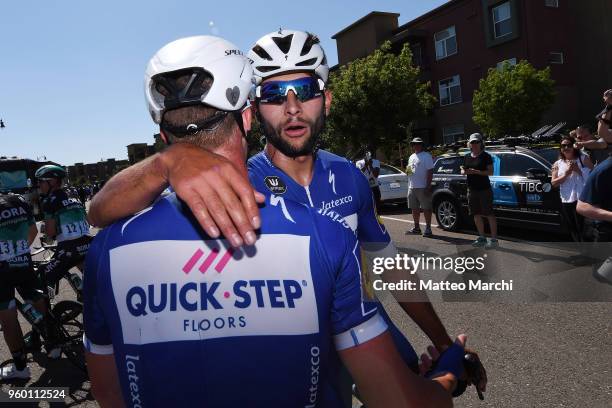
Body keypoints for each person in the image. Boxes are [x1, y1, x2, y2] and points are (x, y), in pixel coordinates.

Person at [88, 30, 487, 400]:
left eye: (305, 90)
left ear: (326, 99)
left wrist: (444, 342)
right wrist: (169, 162)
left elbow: (389, 268)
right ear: (254, 111)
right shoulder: (225, 178)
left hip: (360, 329)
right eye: (276, 94)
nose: (292, 108)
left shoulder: (348, 176)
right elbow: (101, 211)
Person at [0, 192, 45, 379]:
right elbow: (33, 230)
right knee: (37, 298)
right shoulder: (16, 199)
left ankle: (20, 369)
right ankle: (53, 343)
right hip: (23, 261)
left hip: (2, 271)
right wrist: (20, 250)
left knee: (8, 318)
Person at [35, 165, 91, 288]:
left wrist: (46, 230)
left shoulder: (49, 201)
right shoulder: (74, 196)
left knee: (40, 279)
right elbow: (89, 221)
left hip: (68, 249)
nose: (39, 185)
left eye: (40, 182)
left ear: (52, 182)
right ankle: (83, 289)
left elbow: (50, 233)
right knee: (88, 274)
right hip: (88, 243)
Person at [551, 135, 593, 242]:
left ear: (574, 146)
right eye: (563, 146)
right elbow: (554, 183)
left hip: (582, 198)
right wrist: (566, 174)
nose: (566, 148)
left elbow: (593, 177)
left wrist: (578, 170)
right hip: (567, 199)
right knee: (572, 227)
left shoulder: (583, 158)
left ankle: (589, 252)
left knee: (583, 227)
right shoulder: (557, 164)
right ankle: (581, 251)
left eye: (568, 145)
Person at [461, 133, 498, 249]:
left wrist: (476, 172)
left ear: (481, 143)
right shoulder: (467, 156)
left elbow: (491, 172)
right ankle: (482, 237)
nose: (474, 144)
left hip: (484, 189)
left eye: (477, 142)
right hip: (471, 189)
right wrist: (464, 171)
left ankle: (494, 240)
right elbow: (463, 168)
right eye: (472, 142)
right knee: (476, 214)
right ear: (469, 144)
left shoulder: (486, 156)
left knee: (489, 214)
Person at [405, 137, 434, 237]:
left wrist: (428, 186)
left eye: (418, 144)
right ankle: (417, 228)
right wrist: (407, 172)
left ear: (421, 145)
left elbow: (430, 171)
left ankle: (428, 228)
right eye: (414, 144)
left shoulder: (426, 156)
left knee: (426, 208)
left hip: (423, 186)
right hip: (412, 186)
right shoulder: (411, 156)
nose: (416, 145)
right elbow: (409, 171)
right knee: (414, 208)